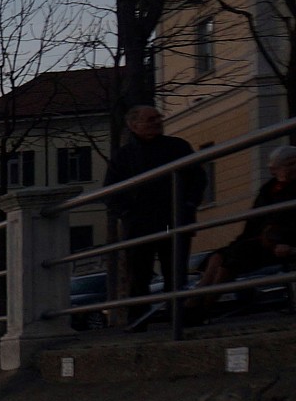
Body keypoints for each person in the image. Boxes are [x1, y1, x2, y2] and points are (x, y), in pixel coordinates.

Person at [104, 105, 206, 332]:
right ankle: (139, 319)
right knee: (139, 275)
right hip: (140, 224)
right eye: (151, 119)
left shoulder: (177, 146)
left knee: (175, 271)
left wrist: (189, 204)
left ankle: (177, 316)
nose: (157, 122)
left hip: (173, 219)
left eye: (158, 117)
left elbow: (198, 178)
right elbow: (110, 193)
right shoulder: (124, 156)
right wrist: (127, 213)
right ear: (134, 125)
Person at [187, 145, 296, 321]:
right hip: (262, 239)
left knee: (233, 258)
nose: (293, 168)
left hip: (281, 241)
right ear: (274, 170)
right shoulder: (269, 189)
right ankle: (195, 300)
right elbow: (254, 221)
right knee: (218, 256)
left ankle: (205, 306)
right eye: (289, 164)